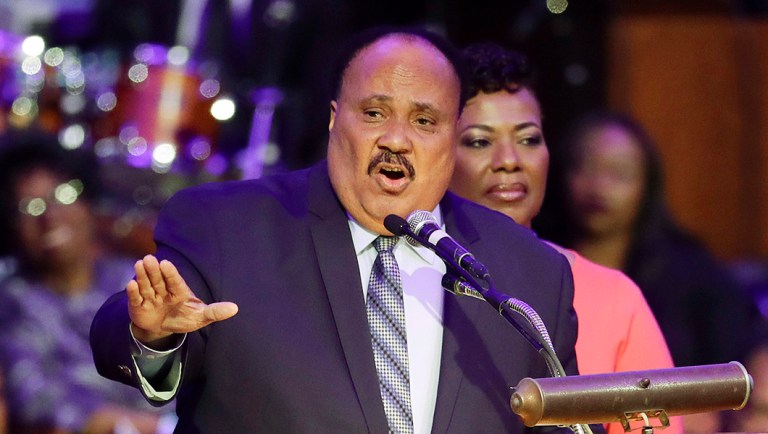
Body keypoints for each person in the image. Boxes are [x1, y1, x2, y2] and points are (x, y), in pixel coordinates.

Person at [89, 26, 585, 433]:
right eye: (374, 113)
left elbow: (566, 425)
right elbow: (136, 331)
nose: (396, 139)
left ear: (453, 138)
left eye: (424, 121)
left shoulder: (530, 274)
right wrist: (150, 337)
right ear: (334, 119)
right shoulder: (227, 228)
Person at [448, 42, 681, 434]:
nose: (510, 160)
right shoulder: (408, 280)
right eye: (479, 141)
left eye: (528, 138)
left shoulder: (614, 297)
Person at [537, 111, 759, 432]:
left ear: (647, 185)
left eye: (620, 174)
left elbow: (739, 376)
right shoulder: (537, 261)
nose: (599, 186)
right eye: (584, 167)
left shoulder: (693, 275)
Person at [0, 131, 176, 433]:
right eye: (30, 207)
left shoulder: (131, 278)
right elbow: (36, 403)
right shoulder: (13, 305)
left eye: (63, 195)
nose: (50, 217)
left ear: (88, 203)